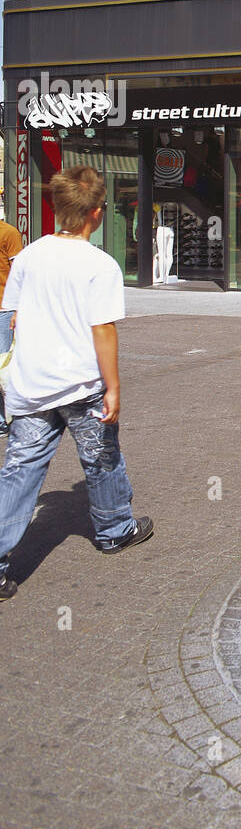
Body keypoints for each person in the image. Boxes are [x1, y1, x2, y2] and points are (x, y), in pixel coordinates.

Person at [0, 167, 153, 603]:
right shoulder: (99, 264)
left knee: (19, 471)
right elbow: (102, 329)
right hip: (81, 382)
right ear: (96, 213)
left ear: (55, 208)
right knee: (101, 457)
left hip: (31, 384)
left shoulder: (29, 255)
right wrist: (114, 387)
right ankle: (114, 529)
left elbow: (13, 317)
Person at [0, 217, 25, 431]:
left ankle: (9, 418)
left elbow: (17, 274)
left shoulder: (9, 233)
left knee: (4, 366)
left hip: (4, 309)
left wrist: (18, 307)